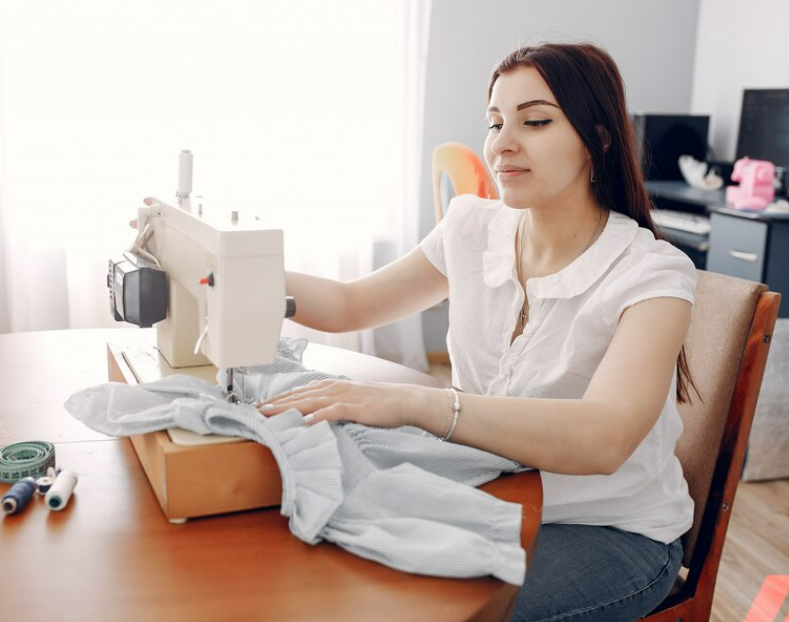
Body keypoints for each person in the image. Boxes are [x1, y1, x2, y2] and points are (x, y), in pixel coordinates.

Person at [257, 42, 697, 622]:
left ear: (601, 137)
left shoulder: (653, 273)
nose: (503, 144)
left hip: (610, 530)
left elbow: (604, 437)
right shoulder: (472, 226)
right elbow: (347, 304)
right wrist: (235, 265)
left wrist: (417, 404)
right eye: (495, 123)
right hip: (491, 493)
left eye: (534, 121)